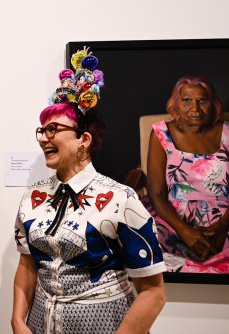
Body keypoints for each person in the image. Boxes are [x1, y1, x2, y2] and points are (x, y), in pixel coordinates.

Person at [12, 48, 166, 334]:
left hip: (104, 325)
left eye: (54, 129)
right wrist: (17, 321)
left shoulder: (122, 198)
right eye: (42, 130)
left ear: (83, 139)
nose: (45, 137)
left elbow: (153, 293)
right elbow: (27, 265)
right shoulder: (32, 197)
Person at [146, 76, 229, 273]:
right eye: (186, 101)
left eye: (202, 100)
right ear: (175, 104)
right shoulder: (161, 133)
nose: (195, 108)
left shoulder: (227, 132)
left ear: (214, 103)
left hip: (224, 217)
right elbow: (156, 193)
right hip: (173, 218)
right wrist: (185, 232)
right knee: (149, 253)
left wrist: (223, 226)